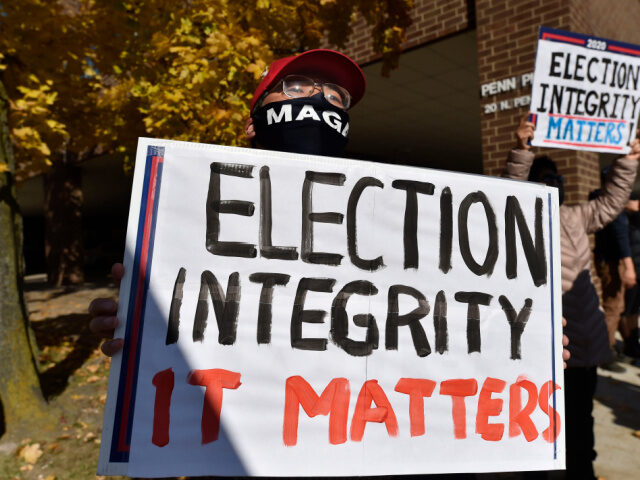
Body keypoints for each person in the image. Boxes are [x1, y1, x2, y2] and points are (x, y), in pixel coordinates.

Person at [504, 115, 640, 480]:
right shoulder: (515, 217)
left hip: (580, 342)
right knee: (532, 421)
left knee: (579, 422)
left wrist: (628, 160)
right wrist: (522, 151)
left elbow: (611, 203)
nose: (556, 186)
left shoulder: (576, 216)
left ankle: (581, 471)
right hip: (534, 344)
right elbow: (507, 196)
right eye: (547, 180)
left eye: (559, 180)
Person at [590, 168, 636, 372]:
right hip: (613, 261)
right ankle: (605, 353)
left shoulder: (601, 201)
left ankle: (607, 349)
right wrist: (628, 266)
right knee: (613, 307)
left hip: (605, 260)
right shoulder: (613, 204)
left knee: (614, 305)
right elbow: (620, 237)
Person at [620, 195, 640, 358]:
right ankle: (629, 346)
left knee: (634, 310)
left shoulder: (635, 219)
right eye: (634, 199)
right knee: (626, 310)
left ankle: (634, 342)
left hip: (637, 271)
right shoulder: (622, 219)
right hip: (630, 271)